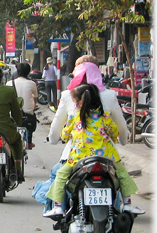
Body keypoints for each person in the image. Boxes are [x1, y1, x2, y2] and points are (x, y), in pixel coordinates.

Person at [34, 55, 130, 212]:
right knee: (118, 178)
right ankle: (123, 209)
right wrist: (122, 141)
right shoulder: (109, 96)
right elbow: (120, 128)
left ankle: (58, 209)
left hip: (76, 154)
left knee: (57, 175)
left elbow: (57, 129)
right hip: (106, 154)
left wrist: (54, 139)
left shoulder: (68, 96)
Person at [44, 83, 144, 217]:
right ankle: (127, 204)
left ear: (80, 102)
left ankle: (57, 207)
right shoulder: (105, 116)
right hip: (107, 157)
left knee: (61, 175)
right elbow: (114, 132)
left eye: (74, 101)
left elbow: (64, 135)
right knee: (122, 174)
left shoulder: (75, 117)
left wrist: (65, 136)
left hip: (79, 158)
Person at [6, 63, 38, 149]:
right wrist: (34, 106)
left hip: (12, 112)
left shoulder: (9, 83)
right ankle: (29, 142)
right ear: (28, 73)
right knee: (31, 120)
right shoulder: (32, 84)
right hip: (27, 112)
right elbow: (35, 97)